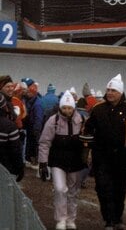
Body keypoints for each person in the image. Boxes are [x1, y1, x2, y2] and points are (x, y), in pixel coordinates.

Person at [81, 74, 126, 230]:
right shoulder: (98, 109)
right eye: (108, 90)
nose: (110, 93)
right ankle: (108, 219)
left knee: (119, 189)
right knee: (103, 187)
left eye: (113, 90)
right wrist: (87, 149)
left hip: (122, 157)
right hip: (101, 157)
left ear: (120, 92)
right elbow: (87, 129)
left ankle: (117, 218)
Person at [38, 88, 86, 229]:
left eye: (69, 108)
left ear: (74, 107)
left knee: (73, 191)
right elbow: (45, 142)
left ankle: (71, 218)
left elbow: (88, 139)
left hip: (75, 160)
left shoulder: (81, 120)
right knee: (60, 189)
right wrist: (43, 162)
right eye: (64, 108)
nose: (67, 111)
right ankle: (61, 219)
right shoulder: (53, 121)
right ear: (60, 108)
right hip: (58, 160)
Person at [0, 74, 25, 181]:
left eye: (11, 86)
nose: (11, 89)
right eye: (7, 87)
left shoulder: (11, 101)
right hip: (6, 143)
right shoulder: (3, 103)